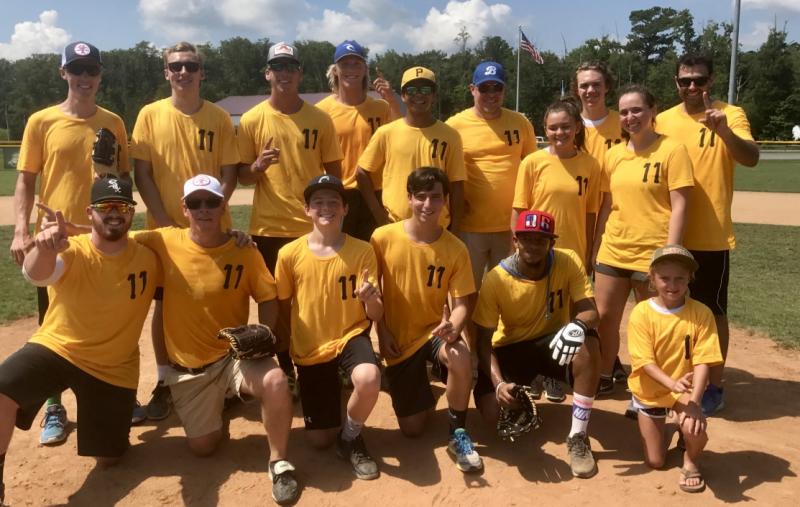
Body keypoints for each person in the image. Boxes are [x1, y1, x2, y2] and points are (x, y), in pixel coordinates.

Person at [132, 174, 298, 505]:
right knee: (204, 447)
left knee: (276, 380)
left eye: (212, 202)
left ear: (223, 206)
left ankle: (278, 462)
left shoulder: (244, 250)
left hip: (233, 358)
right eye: (196, 203)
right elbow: (113, 235)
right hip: (190, 367)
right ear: (184, 208)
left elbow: (267, 295)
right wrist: (61, 233)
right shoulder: (164, 240)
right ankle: (221, 401)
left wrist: (264, 332)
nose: (204, 209)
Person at [0, 176, 157, 505]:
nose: (115, 213)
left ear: (133, 212)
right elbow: (37, 274)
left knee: (109, 458)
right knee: (2, 387)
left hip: (112, 370)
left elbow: (192, 240)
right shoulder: (72, 249)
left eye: (123, 207)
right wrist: (43, 248)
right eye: (106, 207)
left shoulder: (148, 255)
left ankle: (106, 430)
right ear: (90, 211)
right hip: (57, 349)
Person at [9, 41, 131, 445]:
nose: (84, 77)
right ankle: (54, 406)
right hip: (56, 239)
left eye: (91, 70)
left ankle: (112, 392)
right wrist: (21, 231)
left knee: (110, 314)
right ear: (63, 73)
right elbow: (26, 179)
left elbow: (121, 181)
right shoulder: (41, 121)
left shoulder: (113, 121)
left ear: (100, 75)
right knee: (53, 324)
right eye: (76, 69)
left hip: (99, 237)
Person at [131, 41, 241, 421]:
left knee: (218, 299)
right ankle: (165, 380)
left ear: (201, 72)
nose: (183, 72)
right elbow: (141, 172)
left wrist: (211, 212)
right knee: (164, 303)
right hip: (166, 229)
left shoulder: (218, 117)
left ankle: (224, 377)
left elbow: (229, 173)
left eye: (190, 65)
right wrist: (163, 219)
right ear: (166, 72)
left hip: (212, 228)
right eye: (175, 66)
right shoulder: (149, 115)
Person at [656, 54, 759, 415]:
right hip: (671, 234)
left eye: (699, 80)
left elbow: (750, 158)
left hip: (712, 236)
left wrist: (724, 131)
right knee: (671, 308)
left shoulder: (731, 114)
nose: (692, 87)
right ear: (676, 83)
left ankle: (714, 383)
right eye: (685, 81)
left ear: (711, 81)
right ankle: (675, 379)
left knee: (713, 311)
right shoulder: (663, 120)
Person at [237, 41, 343, 391]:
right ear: (267, 73)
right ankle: (287, 369)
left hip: (311, 227)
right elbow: (242, 175)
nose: (284, 73)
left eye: (290, 67)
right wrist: (256, 166)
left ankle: (326, 361)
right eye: (277, 66)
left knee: (318, 300)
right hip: (269, 227)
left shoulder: (319, 119)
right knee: (277, 305)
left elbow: (334, 175)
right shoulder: (252, 119)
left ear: (300, 73)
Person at [473, 209, 602, 478]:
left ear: (551, 243)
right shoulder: (496, 279)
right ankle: (520, 390)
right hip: (512, 347)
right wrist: (497, 384)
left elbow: (591, 312)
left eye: (541, 240)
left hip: (552, 342)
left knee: (587, 344)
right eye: (527, 239)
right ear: (515, 240)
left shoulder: (567, 261)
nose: (534, 245)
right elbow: (483, 342)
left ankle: (578, 437)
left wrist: (578, 325)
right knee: (490, 412)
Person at [371, 167, 482, 473]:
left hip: (435, 332)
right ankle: (421, 391)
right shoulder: (383, 237)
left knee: (460, 357)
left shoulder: (455, 248)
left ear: (446, 200)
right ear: (408, 198)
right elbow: (374, 293)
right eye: (420, 197)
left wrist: (454, 327)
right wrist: (382, 332)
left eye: (435, 197)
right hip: (399, 339)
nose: (427, 204)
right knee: (412, 429)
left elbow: (462, 305)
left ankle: (457, 432)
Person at [275, 174, 383, 480]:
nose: (326, 208)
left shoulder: (362, 250)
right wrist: (282, 350)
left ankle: (350, 437)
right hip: (310, 347)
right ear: (307, 209)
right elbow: (283, 309)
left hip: (350, 335)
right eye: (318, 202)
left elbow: (375, 313)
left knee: (369, 376)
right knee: (318, 440)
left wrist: (371, 299)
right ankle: (334, 400)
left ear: (345, 209)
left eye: (334, 202)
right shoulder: (289, 255)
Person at [592, 85, 694, 397]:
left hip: (652, 253)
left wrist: (668, 255)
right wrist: (596, 247)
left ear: (652, 111)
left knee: (654, 324)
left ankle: (650, 387)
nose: (630, 117)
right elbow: (607, 206)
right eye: (624, 112)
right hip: (613, 251)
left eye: (637, 110)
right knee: (604, 319)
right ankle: (605, 373)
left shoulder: (672, 150)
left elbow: (680, 204)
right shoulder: (614, 155)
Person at [511, 98, 601, 403]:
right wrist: (517, 248)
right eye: (552, 127)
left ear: (577, 127)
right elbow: (519, 208)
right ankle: (534, 373)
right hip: (535, 250)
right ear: (544, 130)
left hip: (572, 251)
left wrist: (589, 252)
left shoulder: (590, 165)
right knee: (537, 312)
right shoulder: (533, 162)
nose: (559, 132)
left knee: (564, 315)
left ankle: (554, 374)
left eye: (565, 126)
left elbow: (590, 214)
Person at [627, 245, 722, 493]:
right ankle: (669, 428)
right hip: (651, 391)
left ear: (690, 278)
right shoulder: (641, 313)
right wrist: (671, 383)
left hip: (685, 391)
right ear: (652, 278)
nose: (672, 285)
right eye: (664, 278)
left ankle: (691, 461)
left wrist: (694, 402)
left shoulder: (701, 313)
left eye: (680, 278)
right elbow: (644, 362)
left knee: (694, 425)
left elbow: (704, 360)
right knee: (655, 461)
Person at [446, 61, 537, 287]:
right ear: (472, 89)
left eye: (496, 88)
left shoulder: (520, 122)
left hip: (511, 226)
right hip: (470, 226)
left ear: (504, 90)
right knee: (467, 291)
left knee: (509, 291)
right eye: (484, 88)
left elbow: (534, 167)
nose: (491, 94)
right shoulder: (455, 125)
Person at [356, 67, 466, 233]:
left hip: (437, 227)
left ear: (434, 95)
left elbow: (457, 184)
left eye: (426, 89)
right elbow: (362, 173)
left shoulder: (450, 135)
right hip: (395, 227)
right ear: (403, 95)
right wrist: (378, 215)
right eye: (412, 90)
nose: (419, 95)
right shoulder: (386, 132)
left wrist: (456, 228)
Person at [572, 61, 628, 385]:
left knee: (604, 301)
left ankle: (607, 360)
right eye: (584, 85)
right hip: (576, 216)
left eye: (596, 84)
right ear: (576, 89)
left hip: (611, 215)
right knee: (574, 292)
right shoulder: (570, 124)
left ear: (607, 87)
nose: (590, 90)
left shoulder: (624, 123)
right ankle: (579, 360)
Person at [316, 40, 401, 241]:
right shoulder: (321, 112)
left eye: (357, 64)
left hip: (378, 191)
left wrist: (391, 98)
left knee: (378, 254)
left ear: (365, 70)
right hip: (342, 191)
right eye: (344, 64)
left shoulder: (381, 107)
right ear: (335, 70)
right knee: (342, 255)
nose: (351, 69)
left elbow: (402, 132)